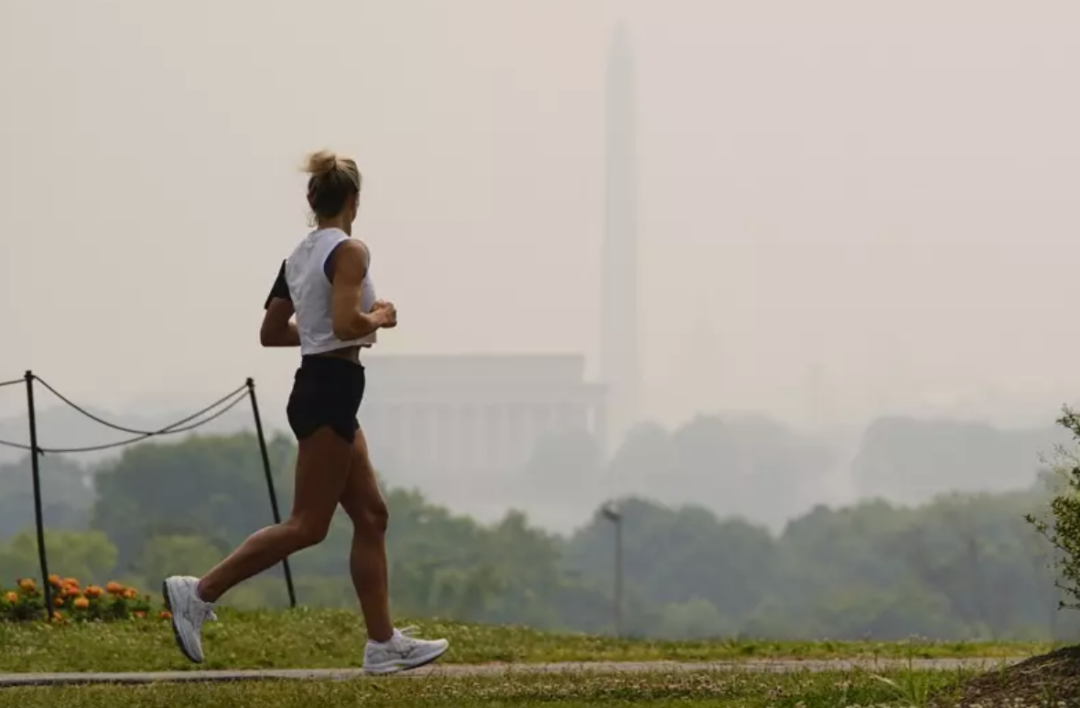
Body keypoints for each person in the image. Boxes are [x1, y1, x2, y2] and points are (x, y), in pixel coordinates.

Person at [163, 149, 449, 675]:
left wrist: (324, 332)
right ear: (354, 199)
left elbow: (272, 332)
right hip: (330, 390)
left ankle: (382, 643)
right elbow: (346, 324)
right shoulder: (350, 251)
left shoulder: (297, 256)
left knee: (372, 515)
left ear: (313, 199)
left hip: (323, 387)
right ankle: (199, 592)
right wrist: (380, 317)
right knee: (306, 526)